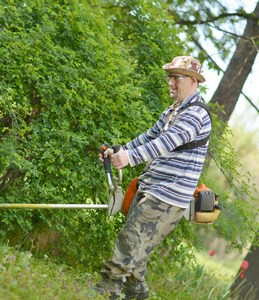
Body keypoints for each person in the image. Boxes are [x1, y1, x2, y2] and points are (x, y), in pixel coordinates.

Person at [93, 56, 212, 300]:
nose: (170, 82)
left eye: (175, 77)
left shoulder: (196, 114)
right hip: (153, 185)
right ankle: (137, 293)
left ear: (192, 80)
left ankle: (108, 289)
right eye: (169, 77)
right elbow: (150, 137)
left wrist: (130, 158)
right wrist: (120, 151)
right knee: (139, 245)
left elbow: (166, 142)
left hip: (169, 193)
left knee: (131, 238)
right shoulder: (173, 110)